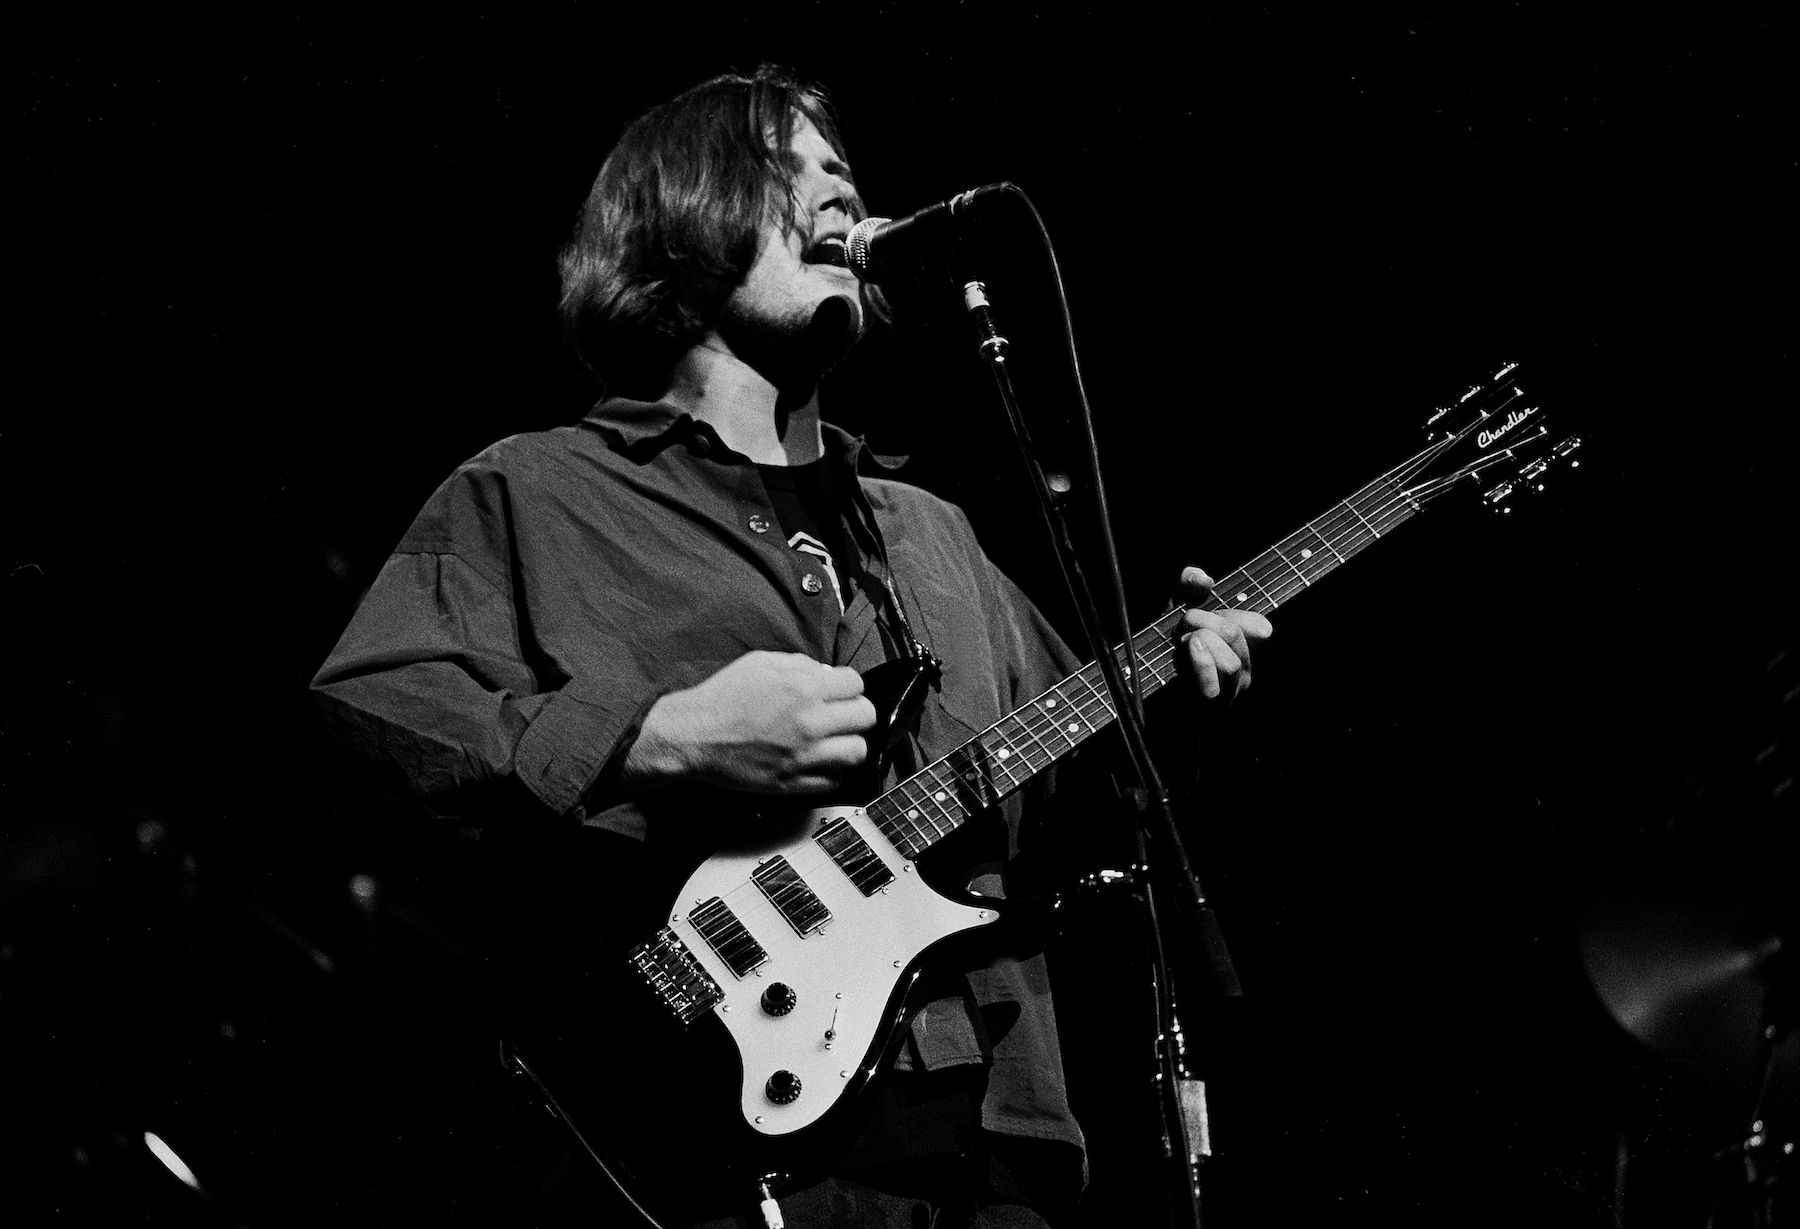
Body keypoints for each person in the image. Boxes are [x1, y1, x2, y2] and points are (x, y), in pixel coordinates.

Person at [310, 64, 1270, 1228]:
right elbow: (373, 708)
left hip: (997, 1144)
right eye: (786, 167)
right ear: (678, 217)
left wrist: (1178, 706)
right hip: (705, 1149)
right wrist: (654, 739)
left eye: (841, 167)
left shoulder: (933, 536)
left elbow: (1080, 806)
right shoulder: (535, 491)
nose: (837, 187)